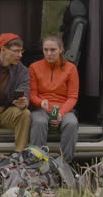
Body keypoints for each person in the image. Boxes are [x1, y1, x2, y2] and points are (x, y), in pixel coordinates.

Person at [29, 34, 79, 162]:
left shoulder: (71, 68)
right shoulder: (34, 67)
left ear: (61, 49)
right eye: (45, 50)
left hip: (64, 108)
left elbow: (72, 97)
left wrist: (61, 113)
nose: (48, 53)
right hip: (42, 108)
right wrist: (40, 102)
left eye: (53, 50)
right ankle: (35, 163)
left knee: (72, 123)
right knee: (39, 122)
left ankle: (64, 164)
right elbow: (32, 94)